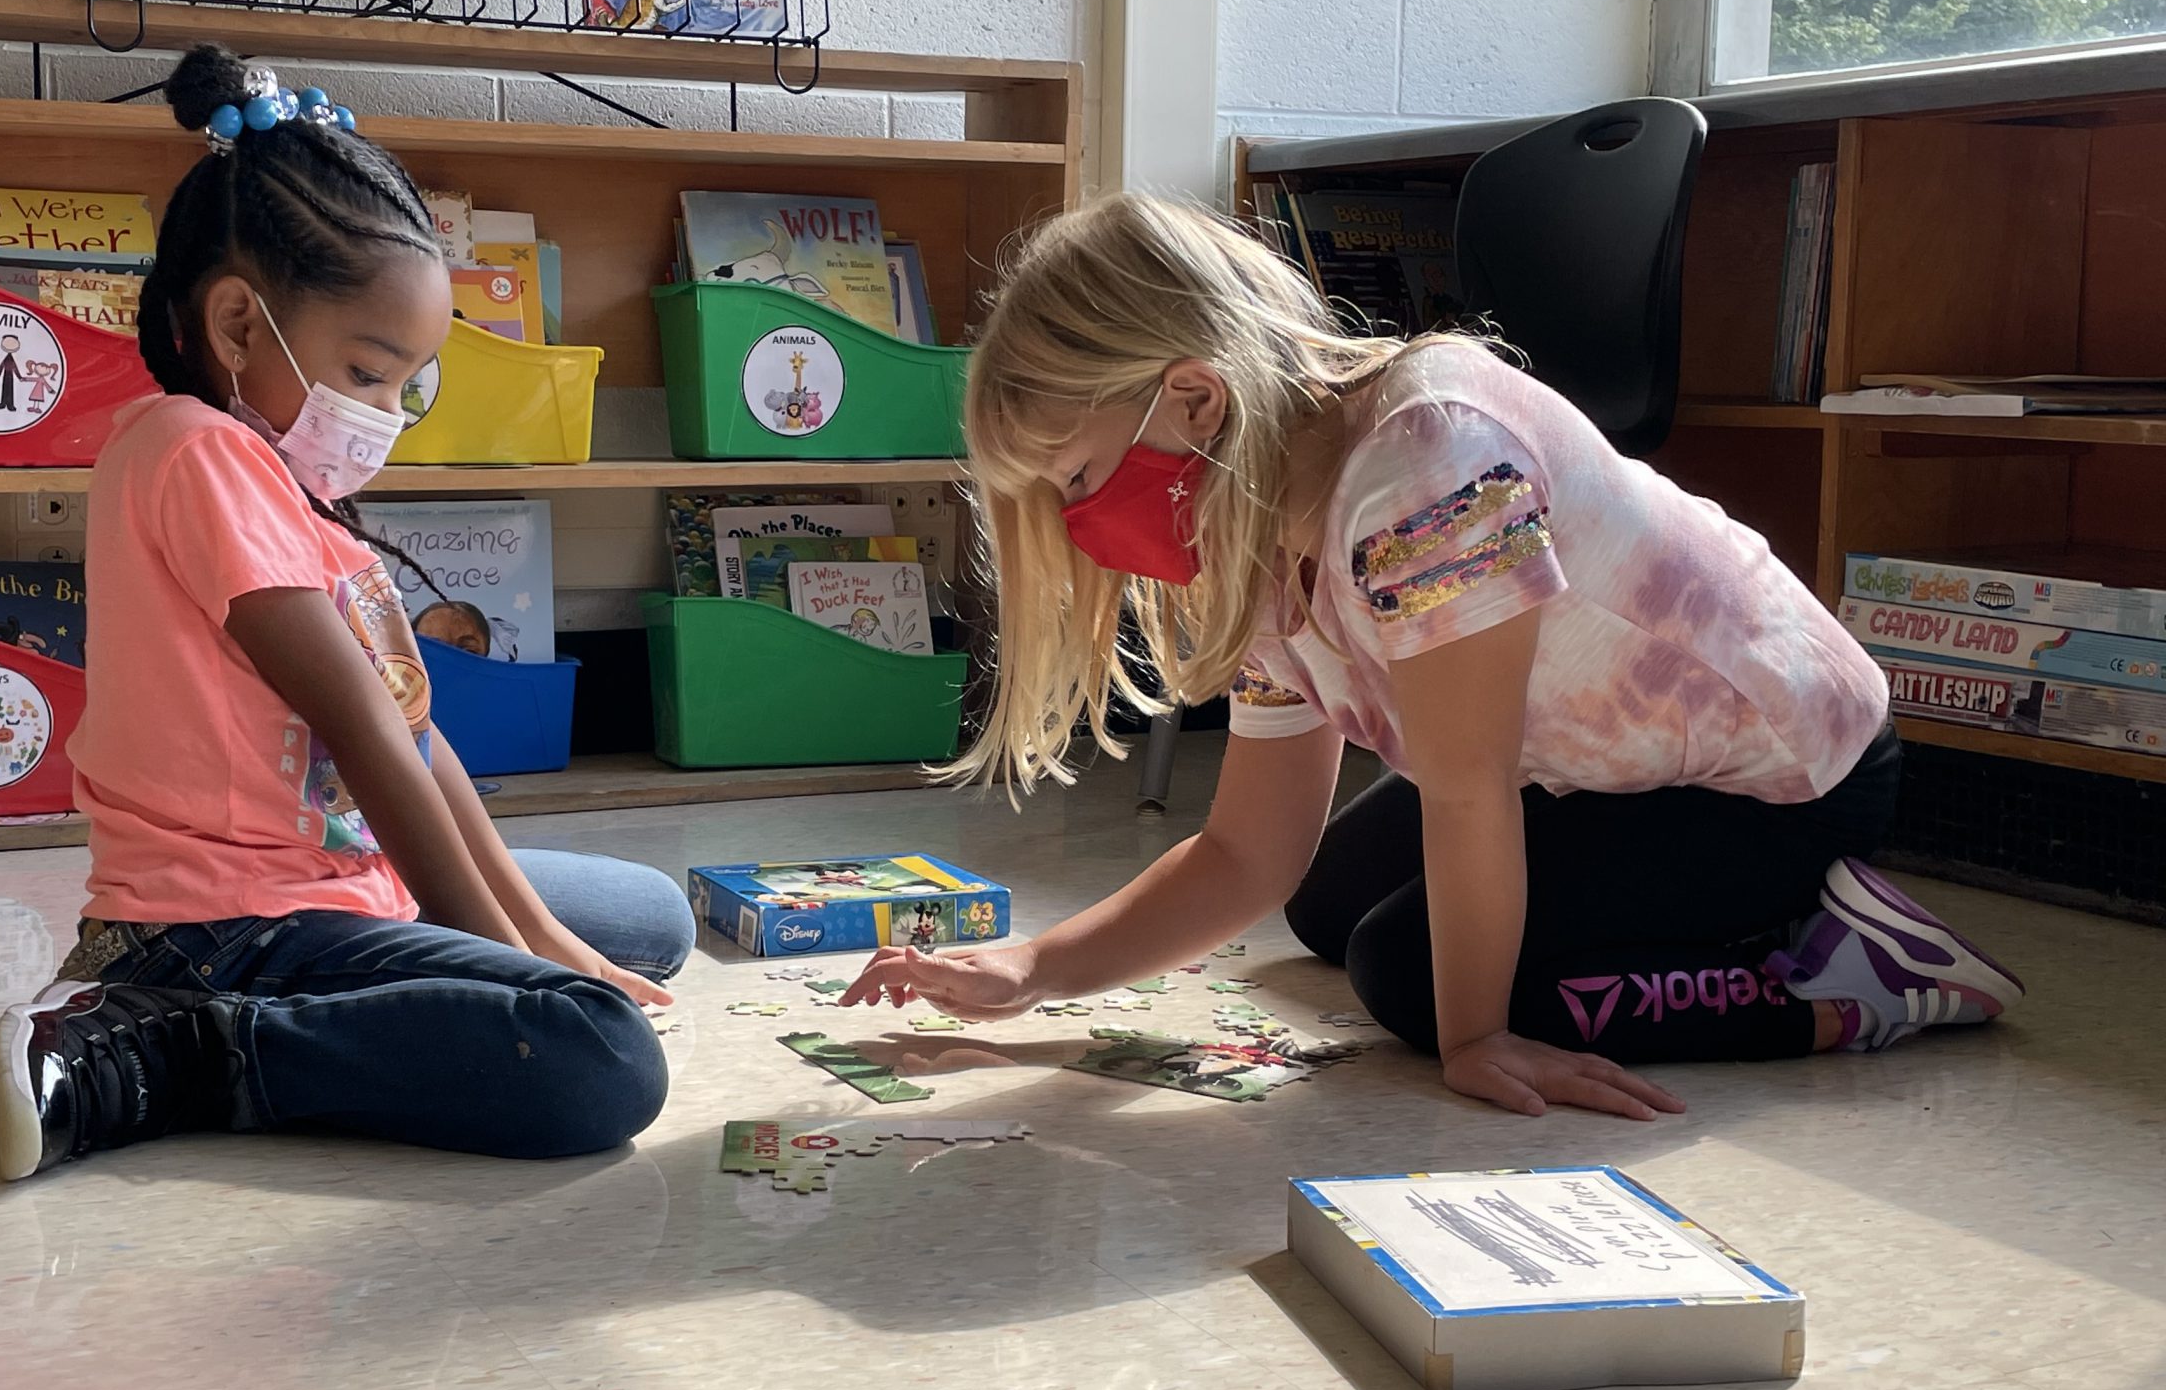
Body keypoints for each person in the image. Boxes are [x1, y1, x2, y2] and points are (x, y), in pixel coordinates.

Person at [843, 194, 2021, 1120]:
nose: (1080, 525)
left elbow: (1464, 792)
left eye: (1079, 480)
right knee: (1321, 900)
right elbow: (1251, 850)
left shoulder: (1430, 465)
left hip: (1780, 779)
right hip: (1587, 772)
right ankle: (1698, 933)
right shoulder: (1249, 522)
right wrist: (1033, 968)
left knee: (1409, 977)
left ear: (1194, 401)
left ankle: (1833, 971)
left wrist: (1474, 1041)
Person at [0, 45, 690, 1182]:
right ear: (234, 327)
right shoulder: (195, 447)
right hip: (223, 932)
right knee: (598, 1057)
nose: (387, 415)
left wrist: (543, 942)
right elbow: (366, 739)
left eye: (405, 384)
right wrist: (507, 962)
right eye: (368, 373)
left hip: (328, 888)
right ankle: (184, 1047)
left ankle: (429, 981)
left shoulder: (294, 493)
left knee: (641, 919)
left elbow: (417, 735)